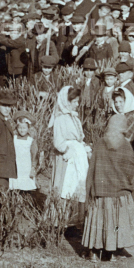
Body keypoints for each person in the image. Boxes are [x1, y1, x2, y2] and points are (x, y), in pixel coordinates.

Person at [83, 86, 134, 260]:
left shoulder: (100, 143)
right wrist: (128, 186)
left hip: (100, 192)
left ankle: (93, 253)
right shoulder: (125, 145)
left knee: (98, 221)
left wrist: (90, 190)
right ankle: (112, 251)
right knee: (115, 221)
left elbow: (92, 168)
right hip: (118, 192)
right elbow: (131, 169)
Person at [48, 84, 89, 220]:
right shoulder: (60, 118)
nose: (77, 105)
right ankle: (59, 219)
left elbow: (79, 137)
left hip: (78, 156)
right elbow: (58, 141)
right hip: (67, 157)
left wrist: (84, 147)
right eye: (74, 102)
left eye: (78, 101)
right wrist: (67, 150)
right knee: (65, 187)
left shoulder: (74, 117)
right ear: (67, 101)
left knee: (77, 186)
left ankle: (74, 219)